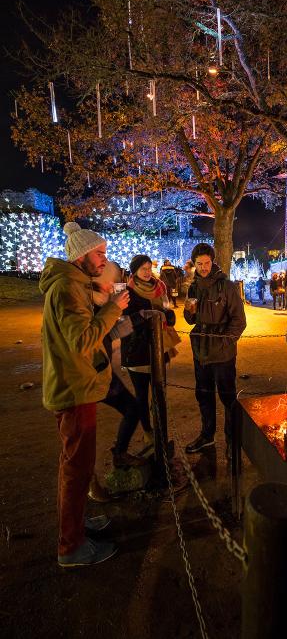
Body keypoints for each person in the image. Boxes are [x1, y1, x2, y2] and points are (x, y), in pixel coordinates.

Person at [39, 222, 129, 567]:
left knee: (77, 465)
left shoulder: (73, 285)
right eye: (100, 254)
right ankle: (70, 546)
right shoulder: (66, 289)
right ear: (81, 256)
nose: (104, 260)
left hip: (76, 385)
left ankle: (76, 525)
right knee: (77, 467)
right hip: (73, 389)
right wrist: (112, 308)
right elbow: (82, 340)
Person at [183, 243, 246, 456]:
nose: (203, 267)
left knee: (228, 398)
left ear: (213, 261)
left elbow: (239, 320)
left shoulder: (227, 286)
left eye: (207, 263)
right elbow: (190, 319)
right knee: (203, 395)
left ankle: (231, 441)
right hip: (200, 351)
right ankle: (207, 436)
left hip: (223, 354)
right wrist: (189, 312)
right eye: (199, 264)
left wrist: (225, 342)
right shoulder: (193, 287)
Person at [92, 263, 147, 469]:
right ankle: (89, 483)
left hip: (101, 371)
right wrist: (115, 308)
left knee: (132, 408)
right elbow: (90, 337)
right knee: (83, 432)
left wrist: (140, 318)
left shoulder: (100, 302)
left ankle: (120, 454)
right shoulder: (87, 302)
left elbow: (109, 333)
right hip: (88, 374)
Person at [121, 255, 177, 446]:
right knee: (142, 395)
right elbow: (124, 322)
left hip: (160, 347)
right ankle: (147, 431)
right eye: (142, 269)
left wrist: (168, 316)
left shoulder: (159, 287)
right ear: (134, 271)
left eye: (148, 268)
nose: (147, 272)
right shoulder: (128, 291)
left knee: (160, 392)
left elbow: (167, 309)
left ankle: (161, 429)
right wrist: (146, 317)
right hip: (137, 350)